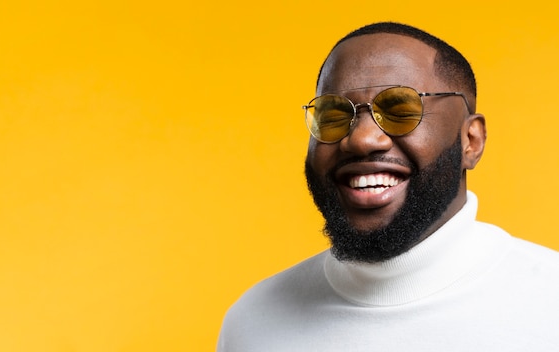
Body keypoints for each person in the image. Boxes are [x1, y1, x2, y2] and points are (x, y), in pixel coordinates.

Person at [217, 22, 559, 351]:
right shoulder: (252, 323)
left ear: (471, 141)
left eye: (399, 109)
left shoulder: (548, 305)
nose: (362, 139)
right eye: (334, 115)